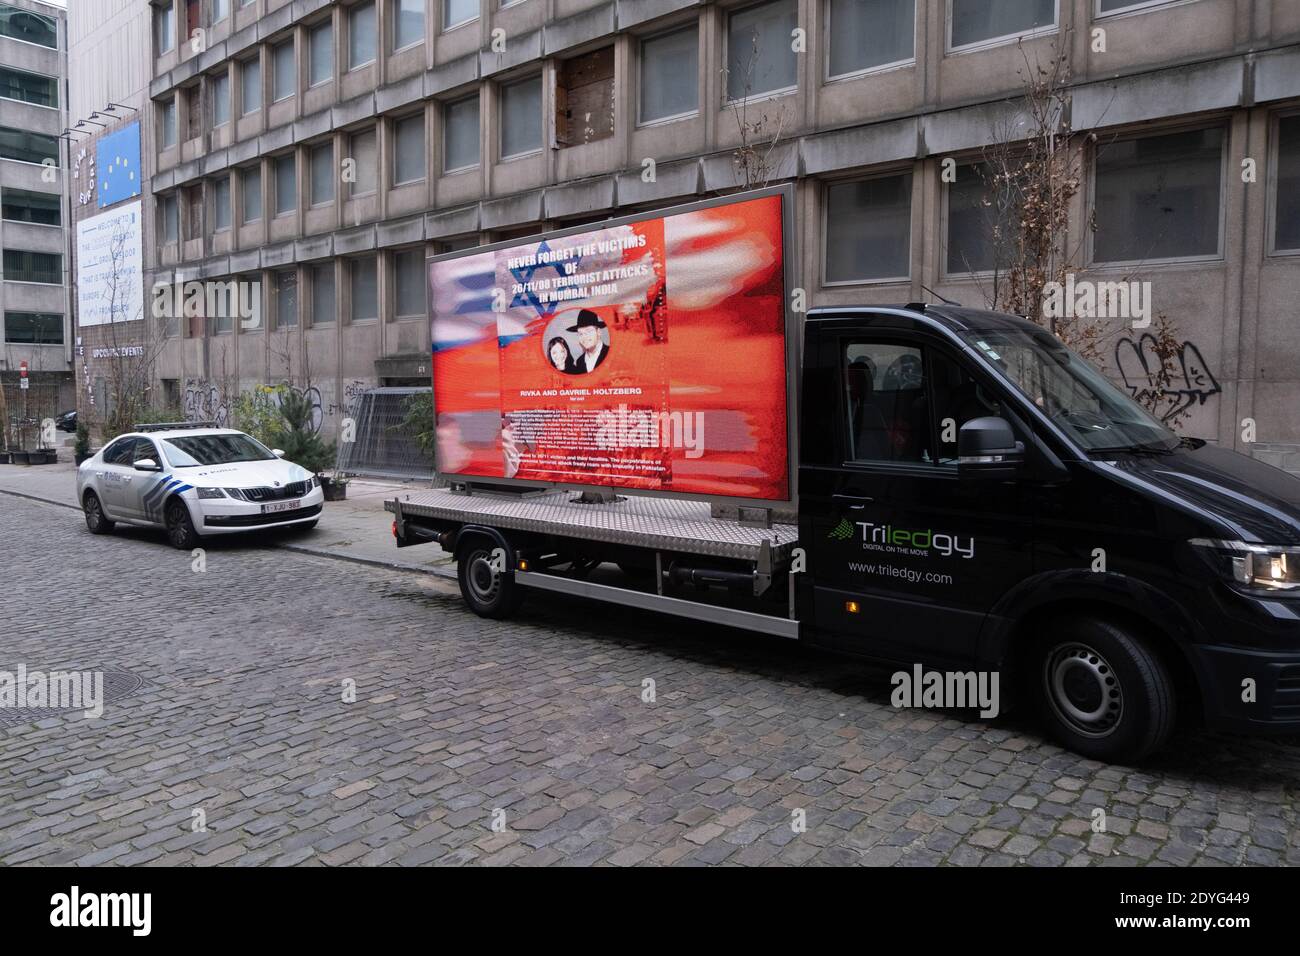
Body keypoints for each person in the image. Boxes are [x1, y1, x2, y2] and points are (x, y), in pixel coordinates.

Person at [566, 309, 609, 373]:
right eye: (580, 334)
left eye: (588, 331)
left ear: (599, 332)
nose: (584, 337)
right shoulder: (580, 361)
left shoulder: (610, 353)